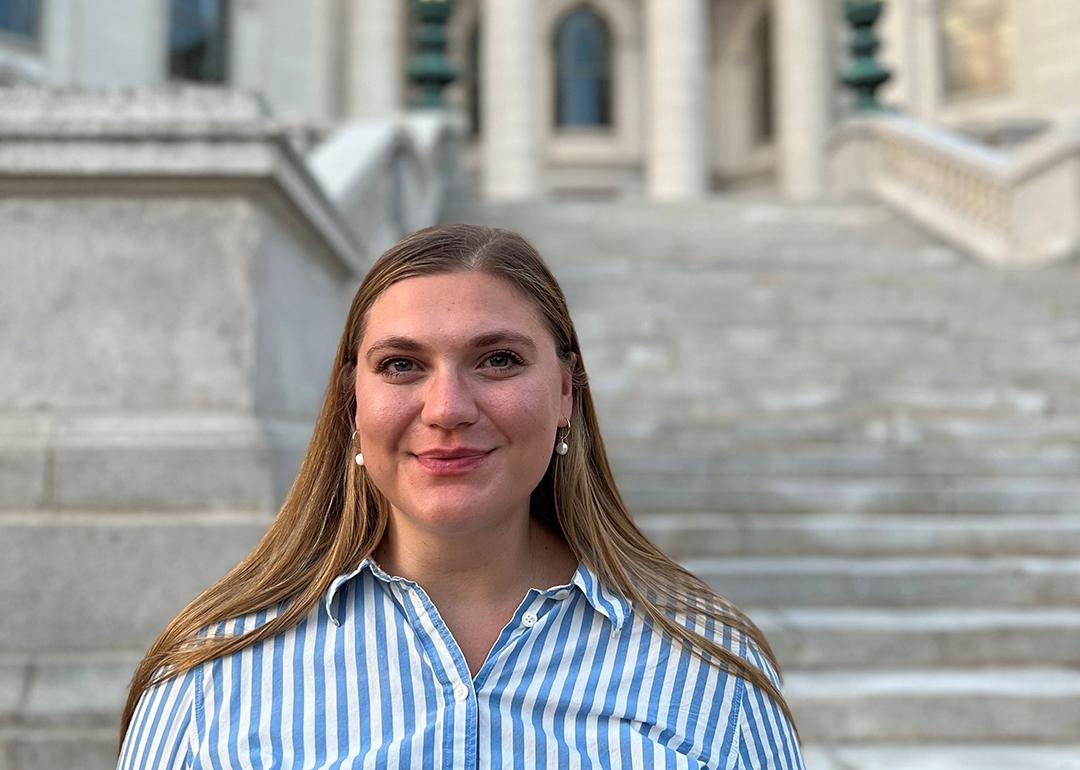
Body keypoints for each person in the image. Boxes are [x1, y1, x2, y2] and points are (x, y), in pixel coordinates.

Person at [117, 224, 804, 769]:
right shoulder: (207, 678)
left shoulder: (710, 669)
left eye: (498, 359)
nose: (447, 407)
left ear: (566, 390)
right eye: (401, 365)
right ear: (352, 400)